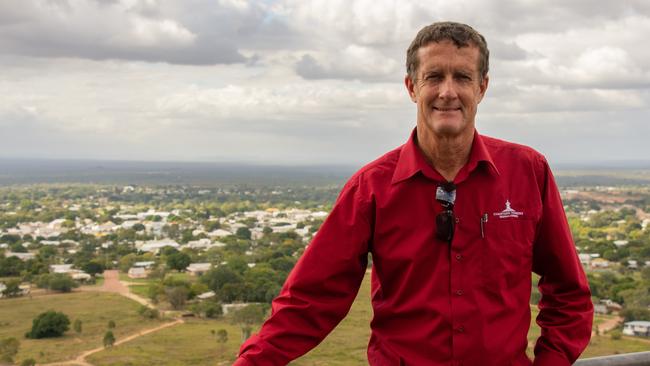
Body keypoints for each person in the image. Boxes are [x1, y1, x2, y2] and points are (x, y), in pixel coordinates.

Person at [234, 21, 593, 366]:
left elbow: (569, 293)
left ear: (482, 87)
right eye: (434, 77)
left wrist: (551, 362)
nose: (448, 92)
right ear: (411, 87)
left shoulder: (528, 171)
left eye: (463, 77)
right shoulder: (371, 188)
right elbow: (310, 300)